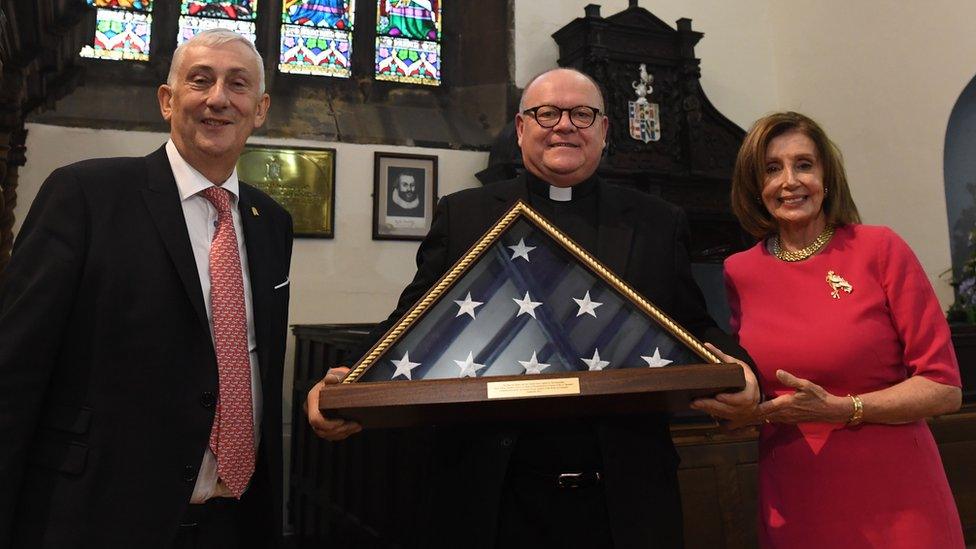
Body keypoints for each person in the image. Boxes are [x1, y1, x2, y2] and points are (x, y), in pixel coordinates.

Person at [306, 68, 759, 548]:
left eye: (582, 114)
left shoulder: (656, 222)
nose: (565, 125)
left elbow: (691, 323)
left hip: (623, 497)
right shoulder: (466, 214)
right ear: (522, 128)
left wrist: (743, 373)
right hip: (493, 496)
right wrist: (345, 382)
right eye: (547, 113)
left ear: (604, 131)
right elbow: (416, 320)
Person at [0, 29, 293, 549]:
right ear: (167, 99)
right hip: (101, 517)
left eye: (238, 84)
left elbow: (252, 362)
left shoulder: (270, 222)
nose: (218, 98)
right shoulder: (85, 196)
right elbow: (14, 370)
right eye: (200, 80)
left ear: (261, 108)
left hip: (232, 520)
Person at [693, 111, 964, 547]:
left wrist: (844, 408)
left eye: (804, 164)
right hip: (796, 496)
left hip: (896, 495)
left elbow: (943, 387)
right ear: (754, 187)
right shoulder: (739, 271)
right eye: (772, 169)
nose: (790, 181)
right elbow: (761, 388)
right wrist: (742, 411)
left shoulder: (879, 249)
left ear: (827, 178)